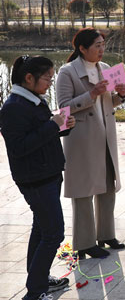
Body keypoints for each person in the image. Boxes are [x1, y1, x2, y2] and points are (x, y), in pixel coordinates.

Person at [0, 55, 76, 300]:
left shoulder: (33, 100)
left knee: (42, 228)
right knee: (54, 233)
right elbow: (19, 147)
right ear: (29, 78)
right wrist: (53, 125)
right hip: (35, 179)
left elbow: (41, 133)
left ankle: (39, 278)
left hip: (48, 174)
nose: (50, 83)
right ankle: (35, 291)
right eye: (47, 78)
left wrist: (63, 125)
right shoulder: (13, 107)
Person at [56, 28, 125, 259]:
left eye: (103, 44)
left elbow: (107, 104)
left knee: (107, 185)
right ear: (82, 48)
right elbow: (63, 108)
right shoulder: (67, 72)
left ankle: (106, 234)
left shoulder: (105, 68)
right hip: (82, 138)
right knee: (84, 190)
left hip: (105, 135)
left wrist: (121, 96)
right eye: (97, 45)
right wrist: (92, 94)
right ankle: (84, 243)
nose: (101, 49)